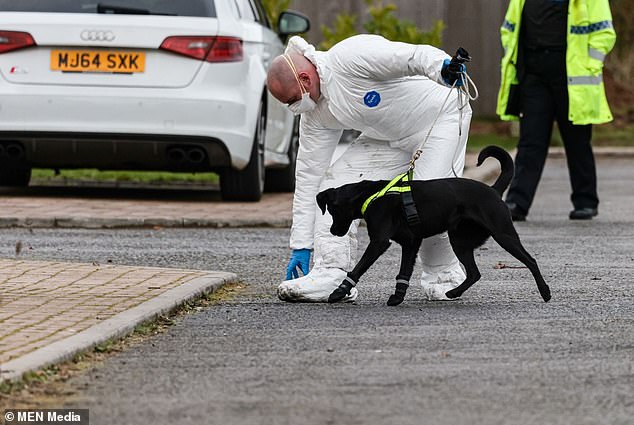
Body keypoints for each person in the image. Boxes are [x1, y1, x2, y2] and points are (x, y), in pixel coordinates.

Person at [267, 34, 473, 302]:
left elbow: (409, 57)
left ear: (305, 79)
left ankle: (444, 274)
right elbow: (309, 174)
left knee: (427, 201)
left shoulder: (351, 56)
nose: (294, 108)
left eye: (293, 100)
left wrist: (442, 67)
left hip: (439, 119)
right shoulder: (315, 113)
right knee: (333, 185)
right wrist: (301, 245)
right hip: (387, 138)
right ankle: (330, 272)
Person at [497, 0, 616, 221]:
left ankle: (586, 202)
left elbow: (604, 33)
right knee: (530, 141)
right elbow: (509, 29)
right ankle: (517, 202)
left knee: (577, 141)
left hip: (571, 77)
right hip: (533, 74)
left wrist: (590, 64)